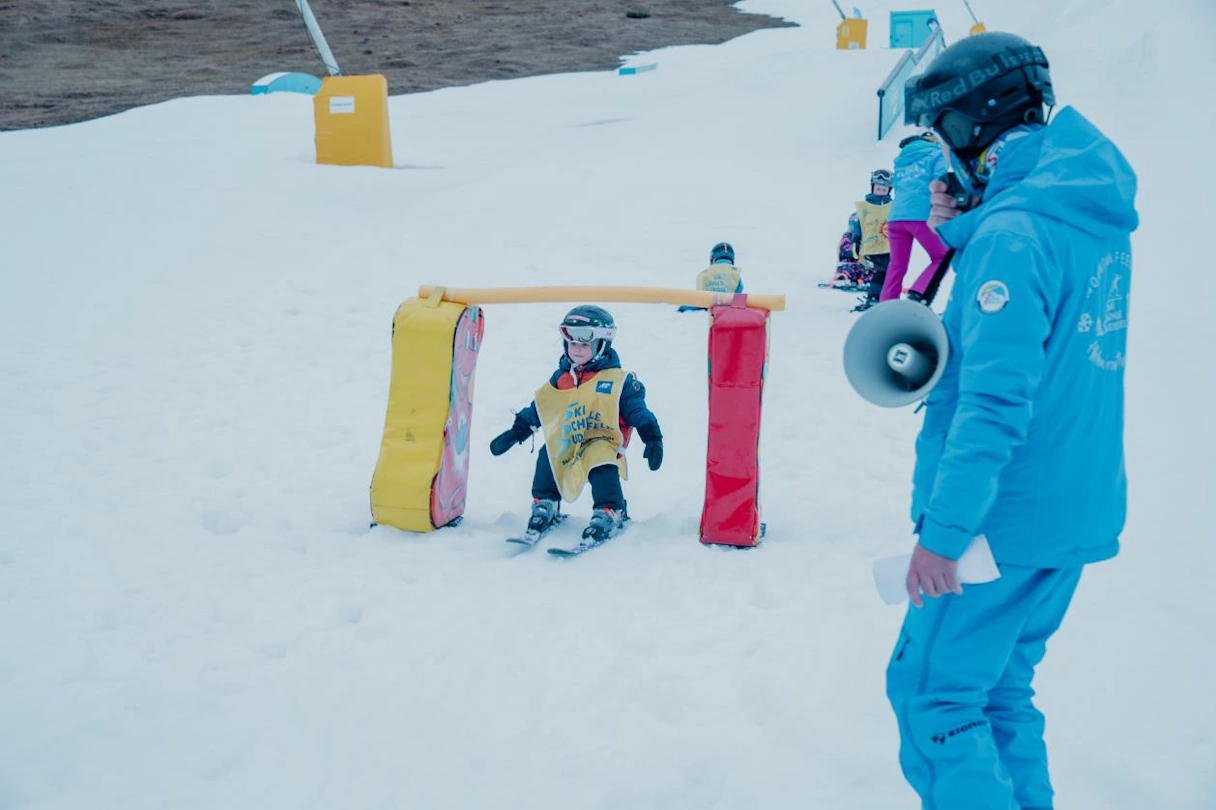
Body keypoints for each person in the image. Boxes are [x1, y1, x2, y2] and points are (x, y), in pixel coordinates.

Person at [886, 32, 1138, 810]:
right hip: (1068, 509)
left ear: (975, 123)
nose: (942, 151)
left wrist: (944, 534)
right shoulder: (1080, 208)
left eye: (945, 132)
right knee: (996, 694)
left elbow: (996, 400)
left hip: (1002, 522)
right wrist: (969, 220)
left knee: (935, 700)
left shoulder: (1013, 234)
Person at [488, 305, 664, 542]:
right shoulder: (562, 378)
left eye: (583, 344)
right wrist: (517, 431)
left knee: (599, 458)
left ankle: (610, 509)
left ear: (601, 345)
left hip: (603, 439)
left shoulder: (618, 381)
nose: (576, 350)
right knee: (549, 452)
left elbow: (636, 410)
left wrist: (651, 436)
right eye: (572, 343)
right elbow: (543, 406)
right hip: (571, 437)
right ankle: (545, 502)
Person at [883, 131, 950, 303]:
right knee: (941, 257)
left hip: (896, 217)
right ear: (931, 141)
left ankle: (887, 303)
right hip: (920, 216)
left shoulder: (901, 160)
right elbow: (940, 183)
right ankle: (918, 293)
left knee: (897, 265)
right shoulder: (937, 154)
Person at [850, 169, 893, 312]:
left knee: (888, 272)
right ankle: (875, 298)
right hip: (873, 246)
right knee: (883, 271)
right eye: (878, 188)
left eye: (884, 189)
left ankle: (880, 298)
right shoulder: (866, 207)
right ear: (873, 187)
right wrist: (856, 240)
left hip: (889, 246)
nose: (881, 191)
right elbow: (859, 225)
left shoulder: (892, 206)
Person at [678, 242, 743, 312]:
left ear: (713, 259)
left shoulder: (703, 273)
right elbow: (738, 292)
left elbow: (700, 295)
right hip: (728, 304)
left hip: (708, 304)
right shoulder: (735, 272)